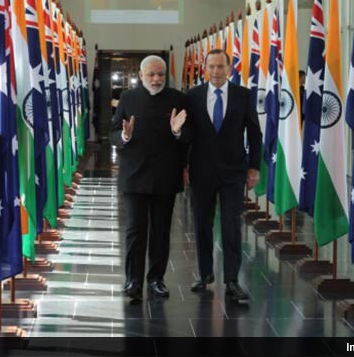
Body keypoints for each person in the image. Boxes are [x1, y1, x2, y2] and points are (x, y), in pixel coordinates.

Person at [176, 49, 262, 303]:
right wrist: (183, 165)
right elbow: (187, 135)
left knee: (231, 226)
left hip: (233, 172)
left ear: (229, 68)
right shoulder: (192, 96)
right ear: (204, 68)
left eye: (220, 67)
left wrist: (254, 167)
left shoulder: (243, 95)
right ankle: (204, 275)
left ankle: (232, 280)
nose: (215, 72)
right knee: (202, 224)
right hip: (201, 171)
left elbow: (255, 134)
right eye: (211, 67)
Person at [110, 55, 187, 301]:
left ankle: (156, 279)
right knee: (135, 230)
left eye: (161, 74)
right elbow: (113, 133)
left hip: (166, 175)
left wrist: (177, 131)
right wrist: (124, 136)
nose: (156, 79)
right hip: (134, 176)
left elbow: (190, 137)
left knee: (161, 231)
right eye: (151, 74)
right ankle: (133, 280)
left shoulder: (178, 99)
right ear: (141, 76)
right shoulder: (128, 98)